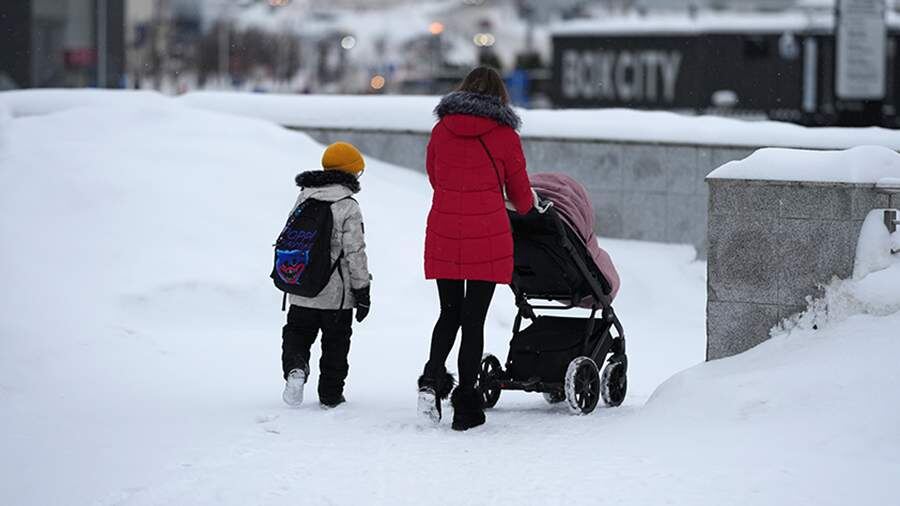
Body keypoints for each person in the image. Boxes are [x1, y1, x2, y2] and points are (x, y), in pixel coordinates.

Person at [419, 67, 534, 430]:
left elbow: (435, 177)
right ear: (500, 95)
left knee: (448, 313)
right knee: (474, 320)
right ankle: (466, 404)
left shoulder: (442, 129)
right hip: (487, 234)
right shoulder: (504, 135)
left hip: (445, 230)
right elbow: (523, 198)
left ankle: (430, 380)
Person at [280, 142, 371, 409]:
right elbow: (355, 252)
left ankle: (296, 369)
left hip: (302, 287)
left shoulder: (304, 197)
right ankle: (331, 394)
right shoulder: (348, 206)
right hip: (335, 296)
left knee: (297, 334)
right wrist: (362, 290)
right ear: (351, 173)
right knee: (336, 345)